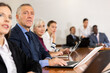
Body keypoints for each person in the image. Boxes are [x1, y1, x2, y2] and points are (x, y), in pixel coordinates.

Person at [0, 2, 42, 73]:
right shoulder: (14, 36)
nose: (7, 20)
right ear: (17, 17)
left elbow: (34, 64)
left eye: (9, 17)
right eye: (1, 15)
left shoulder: (12, 46)